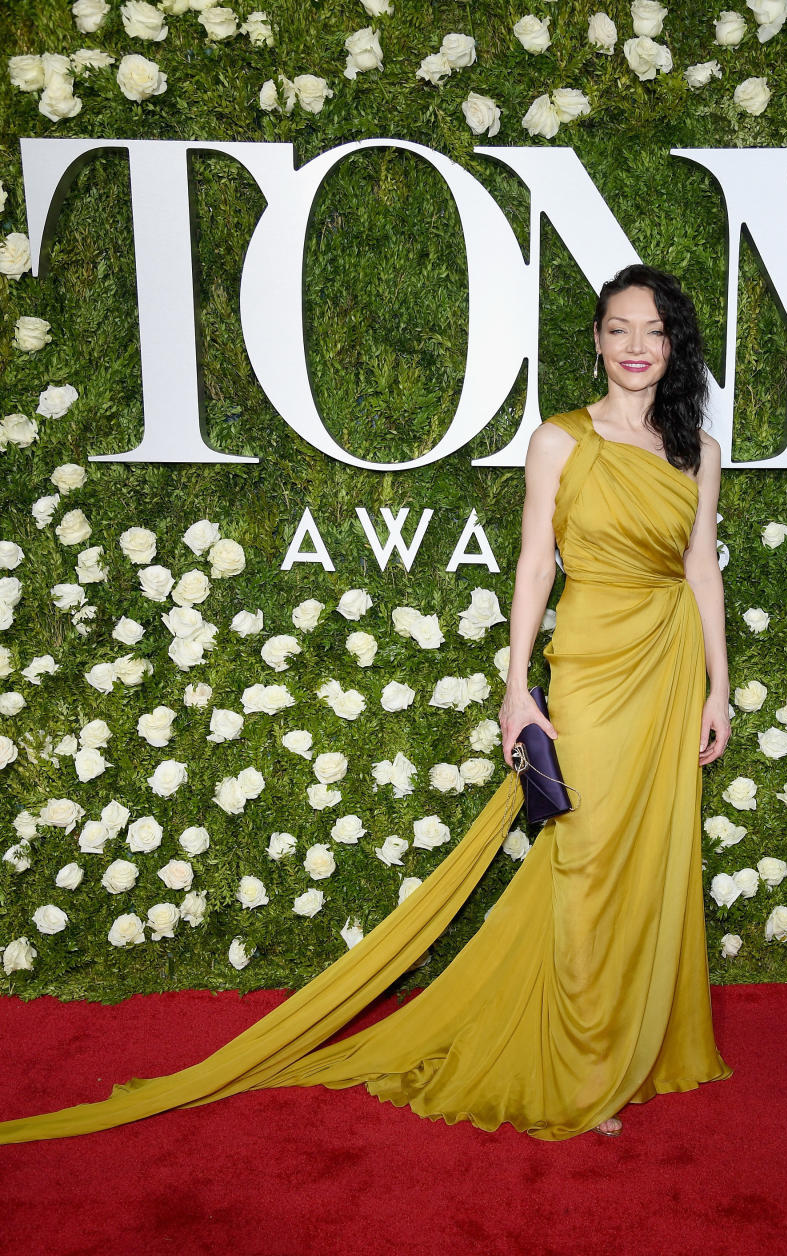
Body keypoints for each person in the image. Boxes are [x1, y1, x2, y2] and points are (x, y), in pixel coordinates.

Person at [0, 264, 732, 1146]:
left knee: (649, 859)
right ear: (596, 339)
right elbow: (535, 565)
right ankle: (580, 1061)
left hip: (667, 664)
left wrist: (716, 687)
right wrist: (513, 689)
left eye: (654, 332)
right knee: (586, 858)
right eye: (620, 329)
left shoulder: (696, 449)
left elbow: (700, 571)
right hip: (589, 666)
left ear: (675, 343)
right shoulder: (559, 440)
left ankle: (633, 1042)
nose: (637, 348)